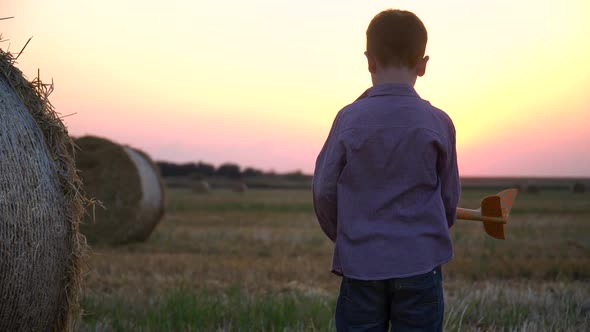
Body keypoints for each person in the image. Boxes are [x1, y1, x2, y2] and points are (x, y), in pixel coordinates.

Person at [312, 9, 460, 331]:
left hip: (361, 264)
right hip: (421, 265)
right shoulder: (439, 123)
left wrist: (347, 235)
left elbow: (324, 191)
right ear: (423, 65)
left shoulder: (348, 119)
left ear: (369, 60)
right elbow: (449, 200)